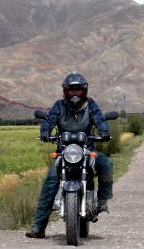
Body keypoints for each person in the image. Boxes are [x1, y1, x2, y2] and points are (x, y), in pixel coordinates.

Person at [26, 71, 113, 238]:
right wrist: (45, 132)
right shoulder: (59, 105)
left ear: (84, 90)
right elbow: (49, 119)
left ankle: (102, 201)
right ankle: (38, 227)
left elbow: (100, 120)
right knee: (50, 181)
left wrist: (104, 132)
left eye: (78, 90)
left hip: (87, 149)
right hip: (63, 151)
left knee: (106, 164)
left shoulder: (91, 105)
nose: (75, 93)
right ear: (65, 91)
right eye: (71, 90)